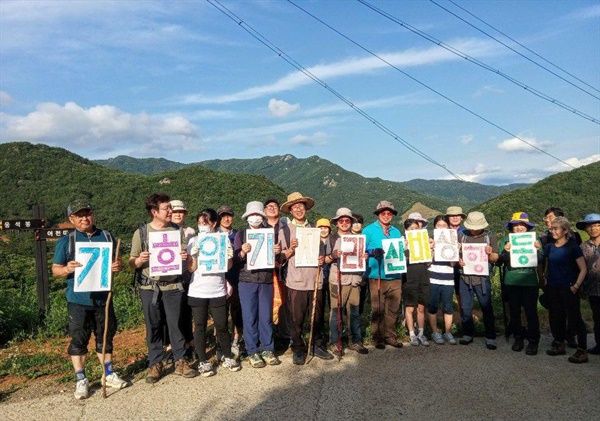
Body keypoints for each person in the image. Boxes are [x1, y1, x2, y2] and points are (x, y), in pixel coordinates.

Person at [52, 199, 127, 400]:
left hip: (103, 299)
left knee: (105, 337)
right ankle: (81, 379)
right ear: (72, 219)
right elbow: (55, 269)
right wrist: (67, 269)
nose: (85, 218)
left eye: (88, 213)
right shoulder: (66, 241)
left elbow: (115, 262)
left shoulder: (107, 236)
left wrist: (117, 266)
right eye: (79, 215)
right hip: (78, 300)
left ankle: (108, 374)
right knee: (79, 340)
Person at [129, 193, 198, 383]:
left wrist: (188, 258)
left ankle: (180, 361)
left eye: (170, 208)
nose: (170, 211)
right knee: (153, 327)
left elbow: (189, 261)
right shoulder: (141, 233)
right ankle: (155, 363)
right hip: (150, 288)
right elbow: (132, 262)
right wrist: (139, 260)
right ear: (154, 211)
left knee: (176, 325)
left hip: (174, 286)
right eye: (166, 208)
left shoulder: (177, 231)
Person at [278, 192, 333, 364]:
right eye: (295, 207)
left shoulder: (313, 230)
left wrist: (321, 259)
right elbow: (280, 257)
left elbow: (322, 254)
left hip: (315, 280)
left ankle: (316, 345)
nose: (299, 209)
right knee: (297, 318)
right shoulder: (285, 231)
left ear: (305, 209)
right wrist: (291, 249)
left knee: (316, 317)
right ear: (290, 211)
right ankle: (298, 348)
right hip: (296, 281)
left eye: (301, 206)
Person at [188, 208, 241, 375]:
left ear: (214, 223)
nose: (202, 226)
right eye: (199, 223)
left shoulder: (222, 240)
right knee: (200, 326)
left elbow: (228, 267)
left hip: (217, 288)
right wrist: (194, 255)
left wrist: (229, 256)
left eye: (206, 222)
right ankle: (203, 361)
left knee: (222, 325)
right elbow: (191, 269)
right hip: (198, 290)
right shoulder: (194, 240)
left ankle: (227, 356)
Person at [234, 201, 282, 368]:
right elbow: (235, 260)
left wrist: (277, 252)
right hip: (246, 281)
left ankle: (267, 349)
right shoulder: (241, 234)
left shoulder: (270, 234)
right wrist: (242, 252)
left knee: (266, 317)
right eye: (252, 215)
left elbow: (276, 259)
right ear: (247, 218)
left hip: (266, 280)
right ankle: (252, 351)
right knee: (249, 316)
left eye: (258, 215)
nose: (255, 218)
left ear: (263, 217)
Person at [543, 216, 588, 363]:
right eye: (551, 229)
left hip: (568, 288)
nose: (553, 231)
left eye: (556, 229)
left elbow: (583, 269)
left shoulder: (573, 247)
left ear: (565, 230)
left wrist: (576, 286)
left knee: (575, 319)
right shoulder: (549, 247)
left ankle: (582, 350)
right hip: (553, 287)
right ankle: (559, 344)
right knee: (557, 317)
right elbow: (544, 264)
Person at [325, 208, 369, 357]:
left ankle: (355, 340)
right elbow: (324, 260)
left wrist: (364, 256)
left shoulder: (358, 239)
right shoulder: (331, 239)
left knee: (355, 312)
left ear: (351, 223)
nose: (344, 223)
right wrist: (333, 256)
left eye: (347, 221)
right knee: (336, 312)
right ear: (337, 223)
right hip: (337, 280)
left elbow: (363, 258)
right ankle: (335, 342)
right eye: (341, 221)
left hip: (355, 280)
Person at [497, 212, 542, 355]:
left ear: (527, 227)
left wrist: (538, 250)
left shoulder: (535, 239)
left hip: (530, 282)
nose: (519, 228)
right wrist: (505, 251)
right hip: (511, 281)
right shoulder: (505, 240)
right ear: (511, 227)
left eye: (522, 225)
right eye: (515, 225)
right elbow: (499, 261)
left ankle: (533, 341)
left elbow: (541, 260)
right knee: (515, 313)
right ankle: (518, 338)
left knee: (531, 313)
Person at [363, 200, 404, 349]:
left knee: (393, 309)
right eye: (383, 213)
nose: (386, 215)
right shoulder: (368, 230)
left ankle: (390, 336)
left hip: (395, 276)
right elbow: (361, 251)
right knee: (377, 309)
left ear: (392, 215)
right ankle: (377, 337)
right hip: (376, 275)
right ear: (378, 214)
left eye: (389, 213)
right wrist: (372, 252)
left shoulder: (396, 231)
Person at [458, 211, 499, 350]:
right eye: (472, 227)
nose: (474, 230)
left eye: (476, 227)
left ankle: (490, 337)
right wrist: (459, 261)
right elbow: (456, 257)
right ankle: (467, 334)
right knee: (466, 308)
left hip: (483, 279)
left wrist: (490, 253)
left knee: (486, 308)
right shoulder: (462, 236)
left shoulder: (489, 237)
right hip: (465, 277)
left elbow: (495, 259)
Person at [264, 198, 292, 350]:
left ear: (279, 210)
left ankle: (285, 336)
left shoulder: (287, 228)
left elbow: (291, 249)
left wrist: (282, 255)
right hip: (265, 273)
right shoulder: (259, 227)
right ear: (264, 210)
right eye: (268, 206)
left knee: (284, 304)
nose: (272, 209)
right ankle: (270, 336)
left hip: (283, 270)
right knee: (267, 304)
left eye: (274, 206)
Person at [217, 205, 244, 357]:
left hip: (236, 277)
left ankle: (236, 340)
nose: (227, 219)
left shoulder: (239, 235)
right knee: (220, 313)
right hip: (219, 279)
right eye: (223, 216)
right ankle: (221, 343)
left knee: (236, 311)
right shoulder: (214, 235)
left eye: (229, 215)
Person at [169, 199, 195, 357]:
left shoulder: (190, 231)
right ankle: (172, 347)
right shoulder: (164, 232)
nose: (178, 214)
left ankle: (188, 344)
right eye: (175, 212)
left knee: (186, 312)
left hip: (186, 276)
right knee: (172, 315)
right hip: (170, 278)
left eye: (181, 212)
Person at [427, 215, 457, 345]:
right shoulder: (430, 240)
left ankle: (448, 332)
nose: (441, 228)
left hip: (448, 279)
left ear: (449, 227)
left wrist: (455, 250)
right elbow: (427, 263)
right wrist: (431, 249)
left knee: (448, 306)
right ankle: (435, 332)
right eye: (438, 225)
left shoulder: (453, 241)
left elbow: (452, 264)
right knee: (432, 306)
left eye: (444, 226)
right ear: (434, 227)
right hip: (433, 277)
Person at [403, 218, 431, 346]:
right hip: (410, 278)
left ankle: (421, 333)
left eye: (416, 228)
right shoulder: (402, 244)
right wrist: (407, 249)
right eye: (411, 229)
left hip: (423, 276)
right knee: (409, 307)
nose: (414, 231)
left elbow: (430, 261)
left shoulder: (424, 242)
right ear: (406, 231)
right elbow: (401, 263)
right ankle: (412, 334)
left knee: (421, 307)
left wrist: (431, 247)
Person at [576, 213, 600, 355]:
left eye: (597, 225)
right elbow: (581, 267)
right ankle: (598, 345)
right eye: (590, 226)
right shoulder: (583, 246)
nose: (594, 228)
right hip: (592, 289)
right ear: (585, 229)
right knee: (597, 318)